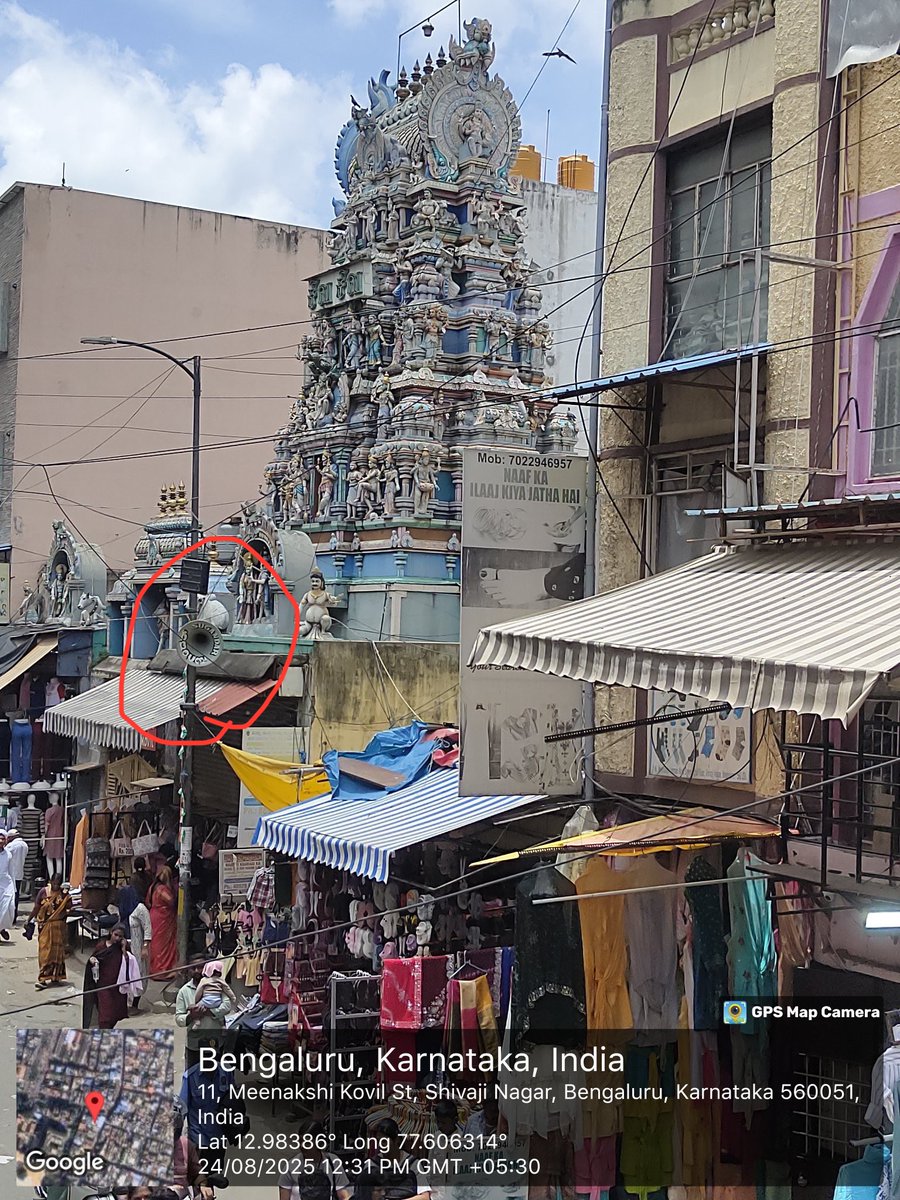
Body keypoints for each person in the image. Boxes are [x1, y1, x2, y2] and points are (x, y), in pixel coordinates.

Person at [354, 1118, 431, 1200]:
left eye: (384, 1142)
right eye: (378, 1141)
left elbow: (425, 1197)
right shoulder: (372, 1165)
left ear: (396, 1140)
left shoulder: (413, 1164)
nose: (381, 1145)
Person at [175, 961, 234, 1064]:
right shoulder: (184, 991)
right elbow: (179, 1019)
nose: (197, 971)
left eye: (200, 967)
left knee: (216, 1074)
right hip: (194, 1042)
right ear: (188, 971)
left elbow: (227, 1006)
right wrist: (191, 1016)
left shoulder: (218, 985)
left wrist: (209, 1012)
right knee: (193, 1076)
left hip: (215, 1040)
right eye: (193, 968)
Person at [279, 1119, 351, 1200]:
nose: (302, 1146)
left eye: (307, 1142)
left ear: (319, 1143)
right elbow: (284, 1195)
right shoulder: (291, 1166)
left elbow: (343, 1194)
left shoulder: (333, 1162)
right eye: (300, 1141)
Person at [83, 924, 130, 1028]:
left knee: (116, 1015)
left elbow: (129, 962)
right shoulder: (101, 946)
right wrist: (92, 960)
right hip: (104, 985)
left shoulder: (123, 947)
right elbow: (93, 958)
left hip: (118, 986)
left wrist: (123, 948)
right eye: (115, 935)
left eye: (120, 936)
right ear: (111, 933)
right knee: (105, 1016)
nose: (117, 938)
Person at [30, 874, 71, 989]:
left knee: (57, 952)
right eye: (54, 883)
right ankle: (43, 978)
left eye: (58, 883)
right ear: (50, 881)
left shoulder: (64, 895)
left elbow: (69, 908)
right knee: (45, 952)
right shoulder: (43, 892)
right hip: (45, 926)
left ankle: (56, 976)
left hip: (58, 927)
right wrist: (29, 920)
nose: (56, 885)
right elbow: (36, 907)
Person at [148, 865, 178, 977]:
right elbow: (171, 901)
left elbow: (148, 901)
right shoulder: (162, 889)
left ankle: (155, 969)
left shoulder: (153, 887)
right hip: (163, 917)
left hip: (154, 915)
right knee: (163, 945)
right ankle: (162, 970)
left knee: (156, 943)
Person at [129, 895, 152, 1013]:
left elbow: (147, 928)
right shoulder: (126, 908)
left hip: (138, 948)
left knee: (138, 973)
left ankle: (135, 1004)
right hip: (127, 947)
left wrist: (145, 947)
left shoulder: (141, 909)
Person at [5, 829, 27, 923]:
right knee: (16, 896)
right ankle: (14, 916)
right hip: (19, 873)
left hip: (11, 874)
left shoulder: (11, 846)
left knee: (10, 896)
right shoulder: (25, 845)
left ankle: (11, 916)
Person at [0, 830, 15, 942]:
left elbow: (11, 871)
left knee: (8, 907)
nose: (1, 841)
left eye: (3, 838)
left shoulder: (8, 854)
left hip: (6, 884)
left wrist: (13, 887)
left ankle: (1, 927)